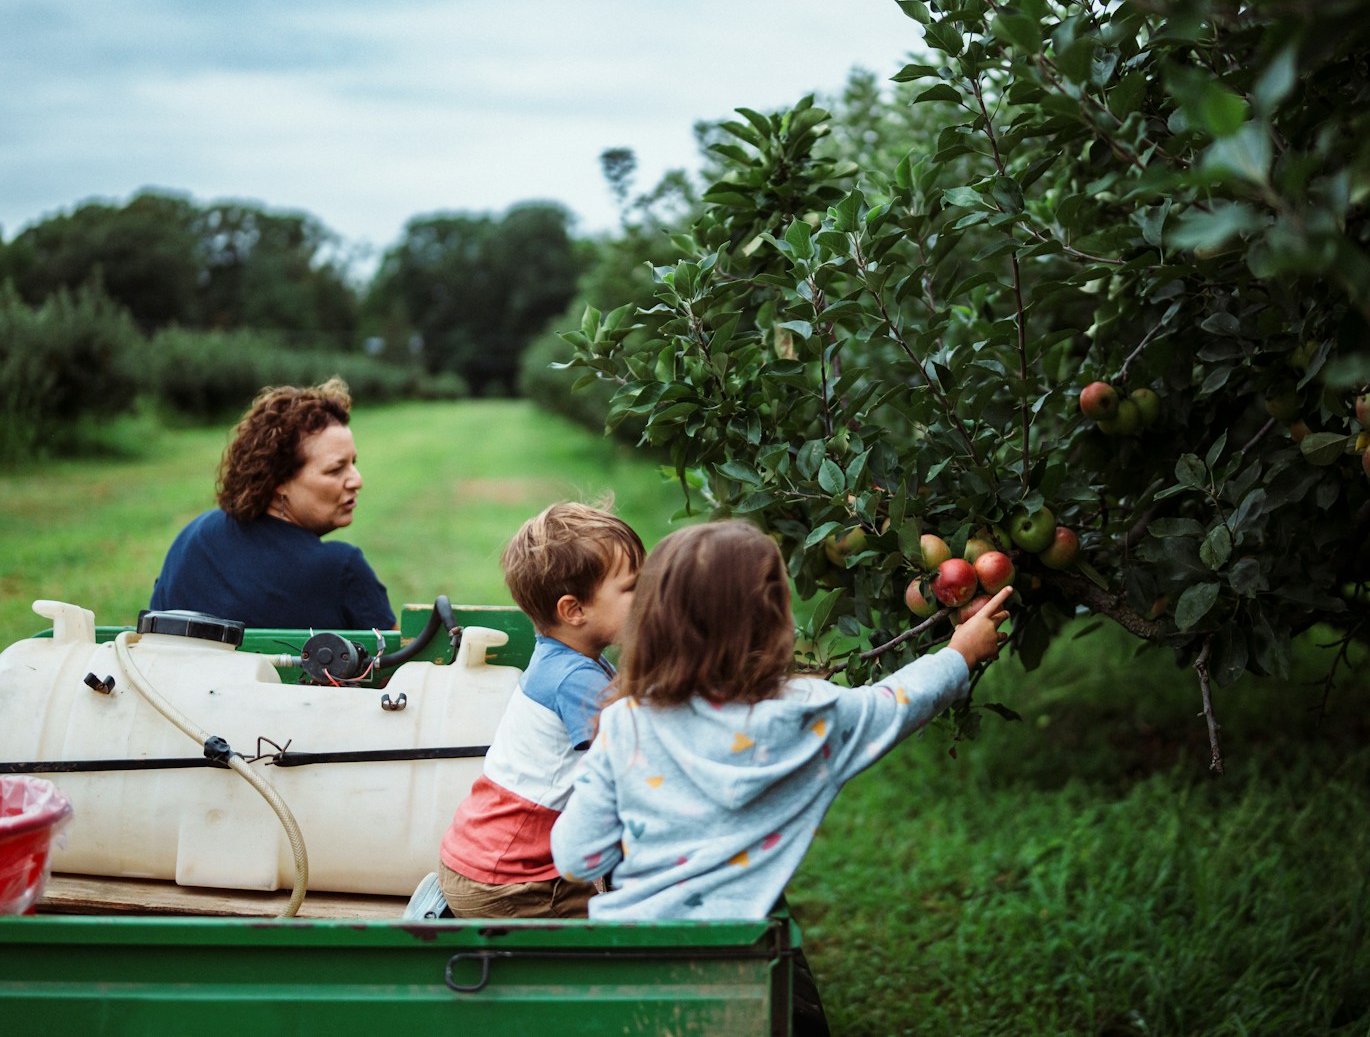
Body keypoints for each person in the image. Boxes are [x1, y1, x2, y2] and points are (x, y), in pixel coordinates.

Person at [550, 520, 1012, 920]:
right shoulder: (807, 714)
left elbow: (576, 858)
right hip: (743, 955)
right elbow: (896, 702)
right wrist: (959, 654)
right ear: (774, 618)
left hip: (633, 955)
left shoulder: (626, 723)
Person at [436, 502, 644, 919]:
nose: (648, 597)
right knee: (631, 921)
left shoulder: (567, 657)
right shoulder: (575, 681)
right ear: (574, 611)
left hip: (481, 864)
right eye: (632, 588)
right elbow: (631, 765)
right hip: (510, 884)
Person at [148, 377, 394, 630]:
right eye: (335, 470)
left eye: (353, 463)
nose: (357, 480)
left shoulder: (193, 538)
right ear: (279, 481)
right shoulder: (340, 569)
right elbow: (400, 665)